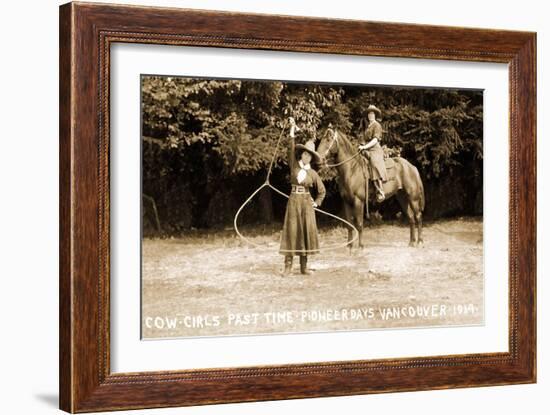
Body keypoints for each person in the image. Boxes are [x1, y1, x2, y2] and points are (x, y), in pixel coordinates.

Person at [279, 117, 326, 276]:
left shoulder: (313, 173)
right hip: (293, 201)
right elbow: (290, 148)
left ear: (312, 158)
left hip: (307, 203)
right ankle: (287, 267)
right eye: (305, 154)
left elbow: (322, 190)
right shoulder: (293, 165)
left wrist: (317, 203)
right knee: (292, 231)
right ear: (301, 154)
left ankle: (304, 267)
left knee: (305, 231)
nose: (307, 157)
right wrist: (291, 130)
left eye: (310, 156)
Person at [359, 104, 387, 202]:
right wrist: (361, 146)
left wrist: (364, 146)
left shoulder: (377, 125)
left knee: (374, 163)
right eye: (369, 114)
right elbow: (363, 139)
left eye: (372, 114)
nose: (370, 116)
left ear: (375, 115)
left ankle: (380, 191)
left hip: (375, 150)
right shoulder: (367, 127)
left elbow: (375, 140)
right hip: (366, 150)